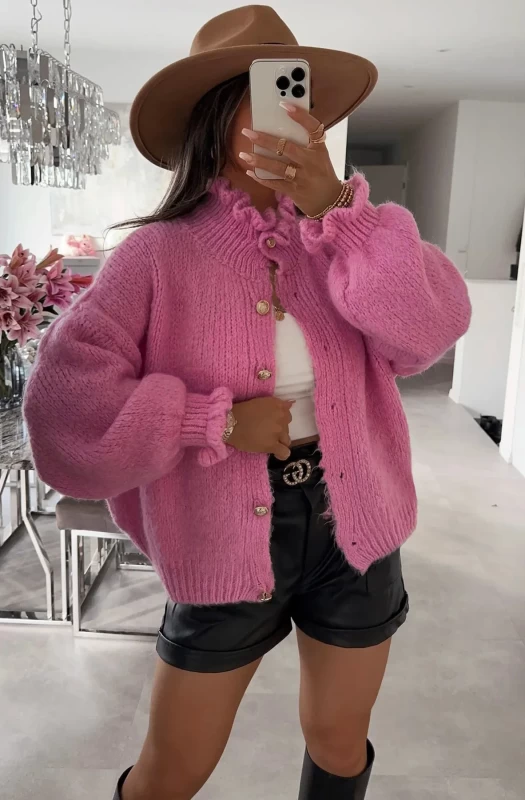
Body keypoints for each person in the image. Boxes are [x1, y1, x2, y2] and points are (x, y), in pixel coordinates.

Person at [24, 6, 471, 800]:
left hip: (354, 526)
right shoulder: (156, 255)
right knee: (173, 770)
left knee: (338, 740)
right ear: (212, 122)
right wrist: (213, 421)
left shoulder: (354, 234)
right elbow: (64, 411)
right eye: (263, 99)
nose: (288, 119)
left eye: (298, 102)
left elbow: (428, 331)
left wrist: (337, 212)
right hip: (216, 534)